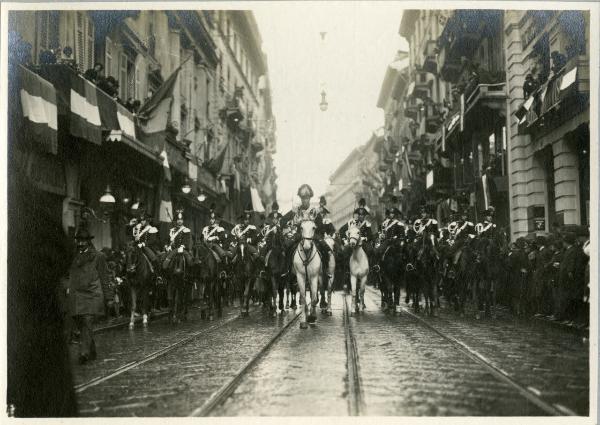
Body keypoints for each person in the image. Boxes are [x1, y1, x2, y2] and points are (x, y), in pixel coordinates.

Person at [68, 228, 113, 365]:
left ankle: (84, 353)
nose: (80, 244)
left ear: (88, 242)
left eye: (83, 241)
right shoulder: (72, 257)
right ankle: (91, 349)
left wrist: (109, 297)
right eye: (78, 241)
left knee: (87, 320)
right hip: (77, 295)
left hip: (93, 294)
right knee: (80, 322)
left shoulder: (98, 256)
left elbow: (105, 278)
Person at [281, 184, 330, 276]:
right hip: (299, 235)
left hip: (313, 235)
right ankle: (287, 270)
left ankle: (326, 270)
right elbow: (283, 220)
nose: (305, 200)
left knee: (325, 247)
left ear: (309, 199)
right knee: (287, 247)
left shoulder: (314, 211)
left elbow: (321, 227)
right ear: (301, 199)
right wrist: (287, 226)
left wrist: (317, 231)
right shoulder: (296, 211)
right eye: (303, 198)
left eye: (307, 198)